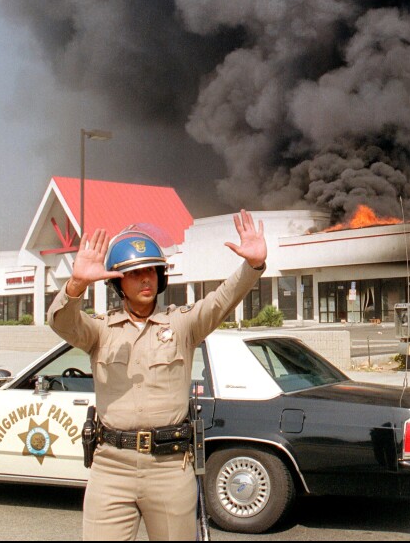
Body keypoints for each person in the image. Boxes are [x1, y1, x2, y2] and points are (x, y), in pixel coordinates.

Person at [47, 209, 267, 540]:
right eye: (136, 273)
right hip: (111, 467)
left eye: (152, 270)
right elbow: (61, 322)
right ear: (119, 281)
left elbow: (222, 300)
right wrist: (76, 284)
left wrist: (252, 267)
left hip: (169, 467)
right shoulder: (100, 330)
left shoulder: (182, 324)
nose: (147, 278)